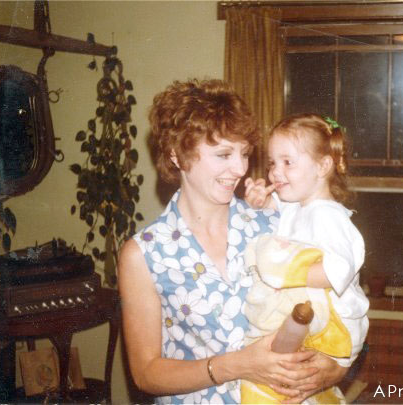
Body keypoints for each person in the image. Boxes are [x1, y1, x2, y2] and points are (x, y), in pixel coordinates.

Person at [118, 80, 349, 404]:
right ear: (177, 155)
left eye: (244, 153)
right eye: (224, 154)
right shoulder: (145, 254)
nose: (240, 168)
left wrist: (335, 368)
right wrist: (237, 366)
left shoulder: (274, 225)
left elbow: (342, 305)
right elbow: (145, 373)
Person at [241, 113, 370, 403]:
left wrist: (283, 278)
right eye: (273, 162)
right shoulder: (296, 205)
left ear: (323, 166)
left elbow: (338, 270)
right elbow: (272, 210)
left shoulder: (327, 214)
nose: (275, 172)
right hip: (311, 321)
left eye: (288, 162)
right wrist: (258, 200)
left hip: (335, 326)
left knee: (278, 384)